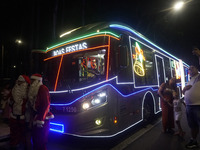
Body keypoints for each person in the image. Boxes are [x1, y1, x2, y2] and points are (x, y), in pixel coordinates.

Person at [28, 73, 54, 150]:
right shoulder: (34, 89)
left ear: (37, 81)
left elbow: (46, 104)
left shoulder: (42, 88)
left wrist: (40, 119)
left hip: (42, 119)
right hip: (36, 117)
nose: (31, 82)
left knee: (41, 140)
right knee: (35, 139)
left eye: (33, 80)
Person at [9, 75, 30, 150]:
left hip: (23, 115)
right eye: (18, 81)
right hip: (14, 114)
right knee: (14, 131)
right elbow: (11, 99)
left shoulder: (28, 91)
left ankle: (23, 145)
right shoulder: (14, 89)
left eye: (21, 82)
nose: (19, 83)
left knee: (23, 132)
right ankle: (14, 144)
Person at [183, 64, 200, 149]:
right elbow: (184, 93)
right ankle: (194, 140)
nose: (190, 69)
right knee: (193, 126)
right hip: (189, 106)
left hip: (198, 106)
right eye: (189, 69)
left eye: (192, 67)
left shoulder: (199, 76)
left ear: (197, 68)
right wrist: (184, 89)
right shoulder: (190, 80)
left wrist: (199, 55)